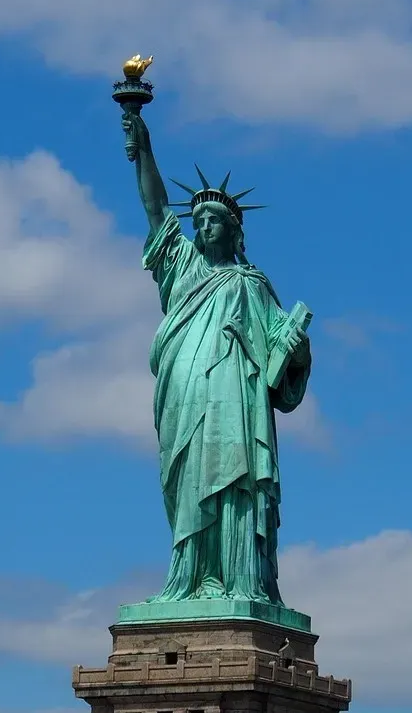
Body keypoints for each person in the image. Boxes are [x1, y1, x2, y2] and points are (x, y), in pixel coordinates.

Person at [121, 111, 311, 604]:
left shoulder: (251, 285)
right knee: (185, 479)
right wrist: (142, 146)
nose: (203, 227)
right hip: (183, 394)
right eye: (198, 220)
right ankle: (189, 579)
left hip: (234, 399)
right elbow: (156, 207)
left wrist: (296, 349)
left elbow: (280, 364)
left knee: (236, 481)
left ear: (233, 232)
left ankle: (238, 581)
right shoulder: (182, 267)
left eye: (213, 221)